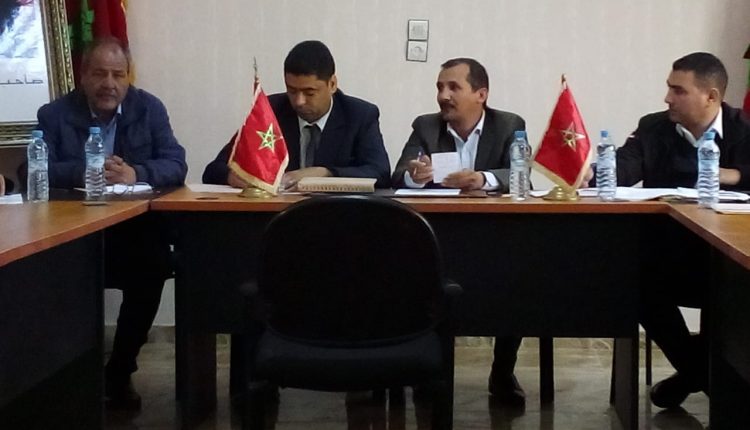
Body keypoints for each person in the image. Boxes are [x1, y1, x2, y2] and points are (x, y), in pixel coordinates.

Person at [36, 36, 187, 410]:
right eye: (100, 74)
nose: (109, 84)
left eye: (118, 75)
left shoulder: (148, 108)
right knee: (45, 277)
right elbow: (34, 171)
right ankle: (67, 376)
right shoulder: (54, 114)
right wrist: (88, 170)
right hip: (71, 234)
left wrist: (136, 173)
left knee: (154, 265)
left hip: (131, 235)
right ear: (83, 75)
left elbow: (176, 164)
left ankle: (120, 371)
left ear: (128, 76)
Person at [599, 52, 750, 409]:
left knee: (733, 298)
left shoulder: (743, 130)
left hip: (730, 260)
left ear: (711, 96)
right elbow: (625, 166)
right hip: (669, 257)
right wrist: (597, 170)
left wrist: (735, 175)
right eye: (669, 88)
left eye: (678, 90)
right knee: (634, 283)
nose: (667, 98)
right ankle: (701, 376)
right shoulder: (653, 127)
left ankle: (694, 376)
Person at [392, 58, 527, 406]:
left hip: (494, 237)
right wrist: (414, 176)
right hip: (438, 239)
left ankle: (502, 372)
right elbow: (397, 175)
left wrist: (483, 178)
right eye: (440, 87)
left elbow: (520, 173)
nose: (443, 95)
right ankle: (427, 373)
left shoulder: (509, 125)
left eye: (454, 87)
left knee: (517, 276)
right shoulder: (425, 126)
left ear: (481, 94)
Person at [203, 40, 390, 189]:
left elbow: (380, 173)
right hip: (275, 215)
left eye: (309, 93)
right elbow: (214, 169)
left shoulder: (359, 115)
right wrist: (234, 177)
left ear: (332, 84)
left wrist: (326, 173)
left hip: (336, 216)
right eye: (292, 91)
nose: (299, 101)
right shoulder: (271, 110)